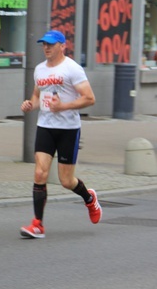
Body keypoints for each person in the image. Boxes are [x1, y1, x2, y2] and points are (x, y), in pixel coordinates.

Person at [19, 30, 100, 238]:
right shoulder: (39, 70)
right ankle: (38, 224)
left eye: (51, 44)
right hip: (45, 126)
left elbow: (89, 98)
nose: (46, 47)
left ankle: (89, 198)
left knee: (66, 180)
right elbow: (37, 96)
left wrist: (64, 106)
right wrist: (30, 104)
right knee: (40, 173)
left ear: (62, 46)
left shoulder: (72, 69)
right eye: (43, 44)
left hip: (68, 129)